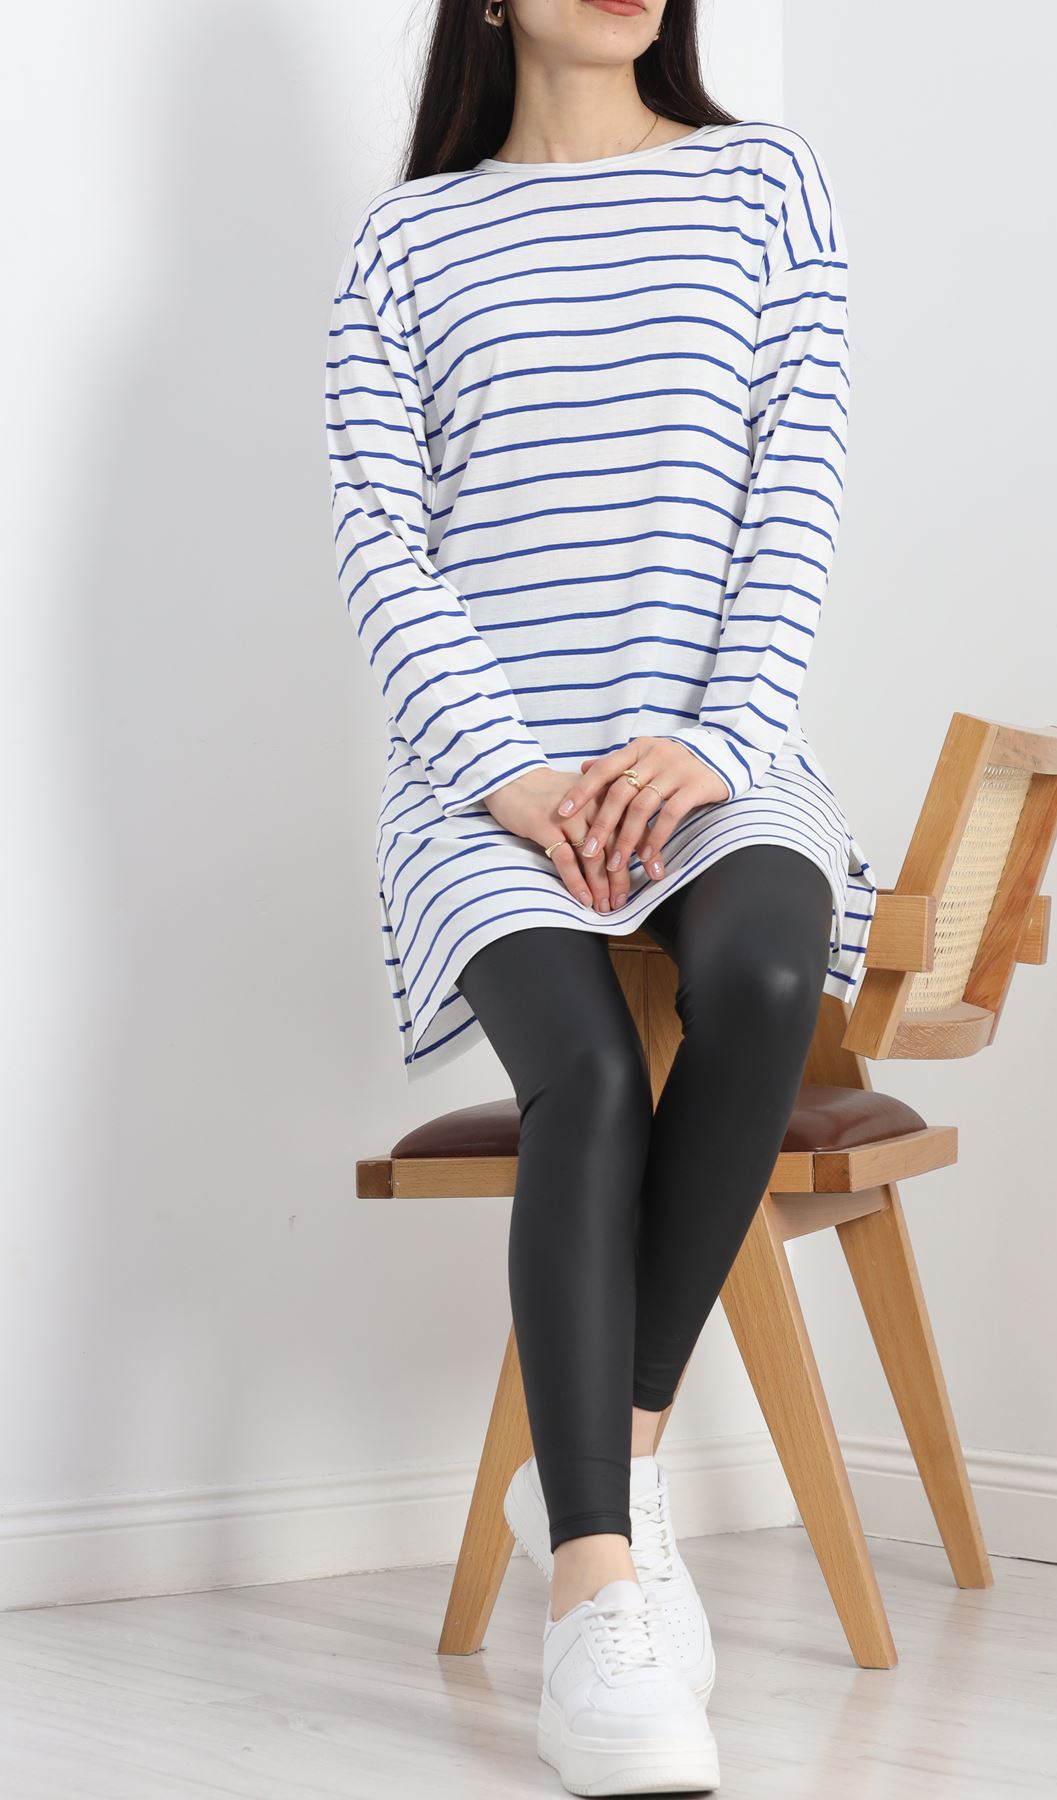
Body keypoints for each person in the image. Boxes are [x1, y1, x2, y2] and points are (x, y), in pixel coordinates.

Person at [325, 1, 876, 1790]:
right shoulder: (408, 240)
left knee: (770, 978)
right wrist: (508, 773)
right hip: (485, 783)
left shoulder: (763, 184)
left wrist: (713, 740)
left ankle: (611, 1468)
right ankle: (592, 1592)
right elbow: (381, 541)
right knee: (587, 1071)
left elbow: (797, 488)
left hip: (714, 749)